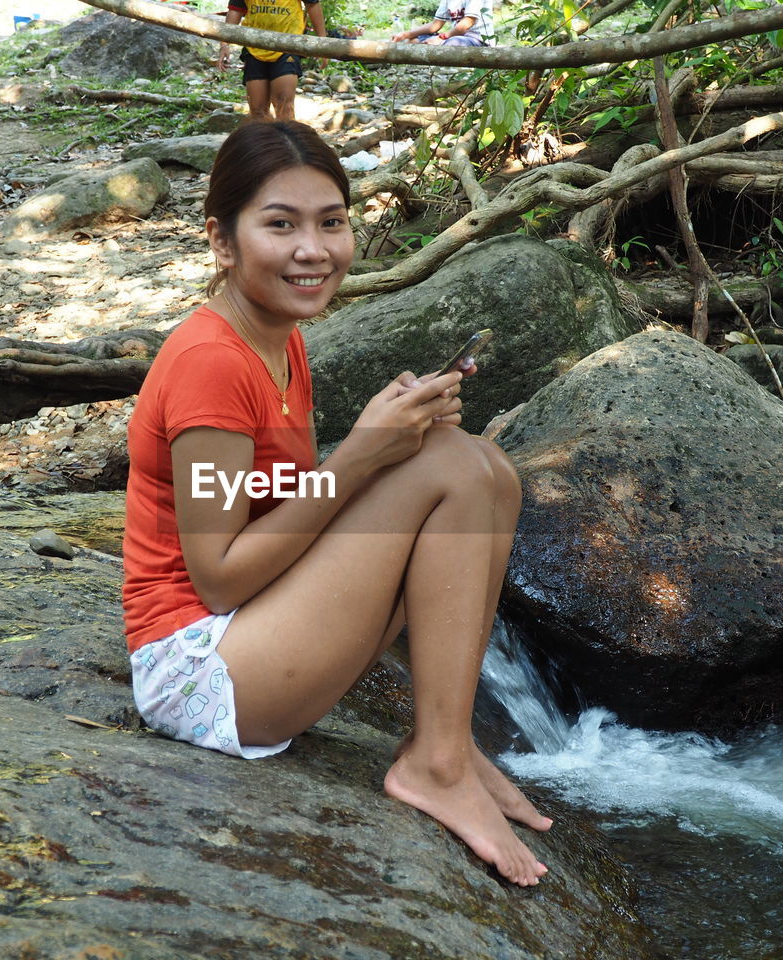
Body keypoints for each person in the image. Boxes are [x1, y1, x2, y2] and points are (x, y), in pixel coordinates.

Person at [122, 121, 549, 887]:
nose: (312, 250)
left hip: (250, 629)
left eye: (332, 222)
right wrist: (359, 456)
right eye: (280, 225)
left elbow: (272, 500)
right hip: (198, 669)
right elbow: (217, 575)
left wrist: (386, 444)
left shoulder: (278, 337)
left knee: (487, 465)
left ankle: (448, 739)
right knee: (451, 463)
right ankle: (436, 763)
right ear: (222, 241)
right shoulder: (212, 363)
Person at [218, 0, 328, 121]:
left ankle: (287, 139)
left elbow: (313, 5)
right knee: (258, 111)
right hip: (254, 45)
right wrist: (224, 44)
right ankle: (265, 139)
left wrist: (322, 44)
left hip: (288, 44)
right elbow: (235, 10)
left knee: (284, 106)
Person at [390, 0, 493, 46]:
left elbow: (467, 23)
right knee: (415, 40)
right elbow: (435, 25)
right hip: (454, 36)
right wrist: (405, 35)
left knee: (453, 43)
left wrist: (440, 38)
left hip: (478, 39)